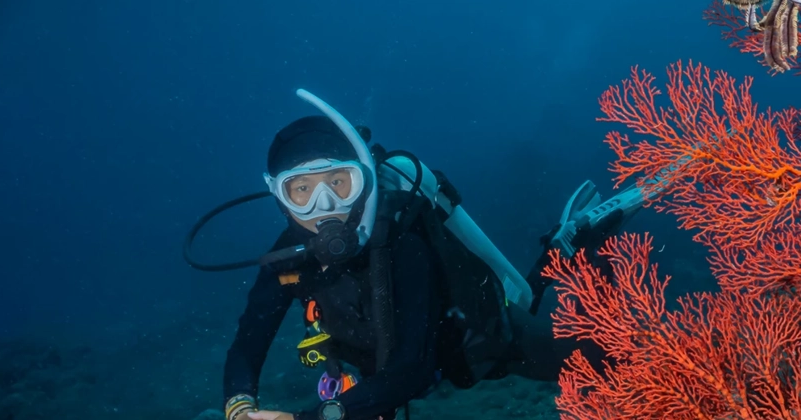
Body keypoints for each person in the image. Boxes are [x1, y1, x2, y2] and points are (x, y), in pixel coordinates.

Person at [186, 90, 642, 420]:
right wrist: (240, 406)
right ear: (280, 197)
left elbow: (412, 370)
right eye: (302, 191)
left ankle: (570, 244)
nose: (324, 207)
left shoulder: (399, 241)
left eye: (338, 184)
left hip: (476, 345)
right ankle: (557, 252)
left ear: (363, 179)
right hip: (375, 383)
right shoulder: (288, 256)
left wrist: (314, 418)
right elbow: (250, 339)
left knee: (598, 364)